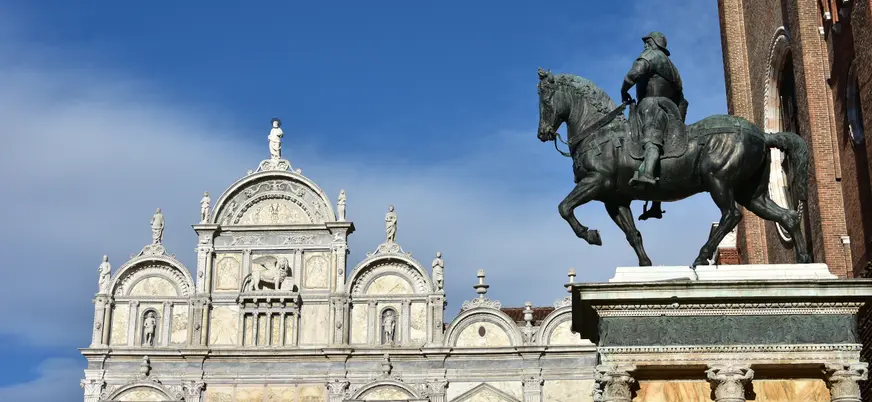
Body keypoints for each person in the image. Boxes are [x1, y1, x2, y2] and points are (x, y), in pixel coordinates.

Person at [620, 32, 688, 220]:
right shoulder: (673, 69)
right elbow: (682, 98)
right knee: (662, 149)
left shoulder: (652, 56)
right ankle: (656, 204)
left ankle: (647, 174)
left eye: (646, 43)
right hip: (671, 109)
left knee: (651, 139)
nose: (644, 47)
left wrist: (623, 91)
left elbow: (633, 74)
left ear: (652, 43)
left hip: (652, 105)